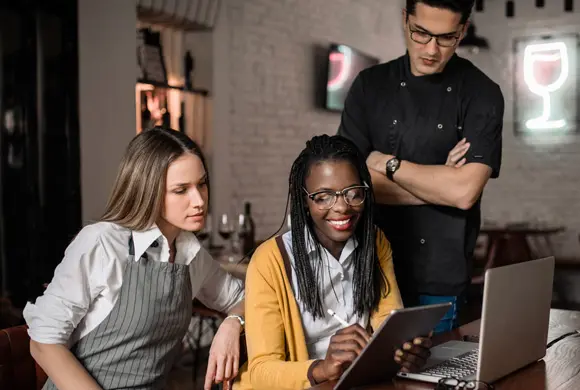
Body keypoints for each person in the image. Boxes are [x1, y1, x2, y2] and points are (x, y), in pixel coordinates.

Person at [23, 127, 245, 390]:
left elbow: (247, 299)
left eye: (202, 184)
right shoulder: (102, 242)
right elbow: (42, 343)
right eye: (181, 190)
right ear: (148, 190)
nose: (198, 201)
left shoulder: (192, 256)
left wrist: (232, 324)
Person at [337, 0, 504, 333]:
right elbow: (347, 185)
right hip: (364, 272)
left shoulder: (482, 94)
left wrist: (387, 164)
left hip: (438, 282)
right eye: (421, 33)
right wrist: (439, 181)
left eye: (445, 38)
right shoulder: (368, 86)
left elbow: (464, 192)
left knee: (428, 382)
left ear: (463, 31)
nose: (431, 49)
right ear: (405, 19)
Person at [235, 135, 432, 390]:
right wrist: (322, 368)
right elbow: (262, 371)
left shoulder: (375, 242)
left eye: (353, 193)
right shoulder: (270, 261)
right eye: (323, 197)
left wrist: (403, 352)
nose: (341, 207)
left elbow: (388, 321)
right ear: (304, 200)